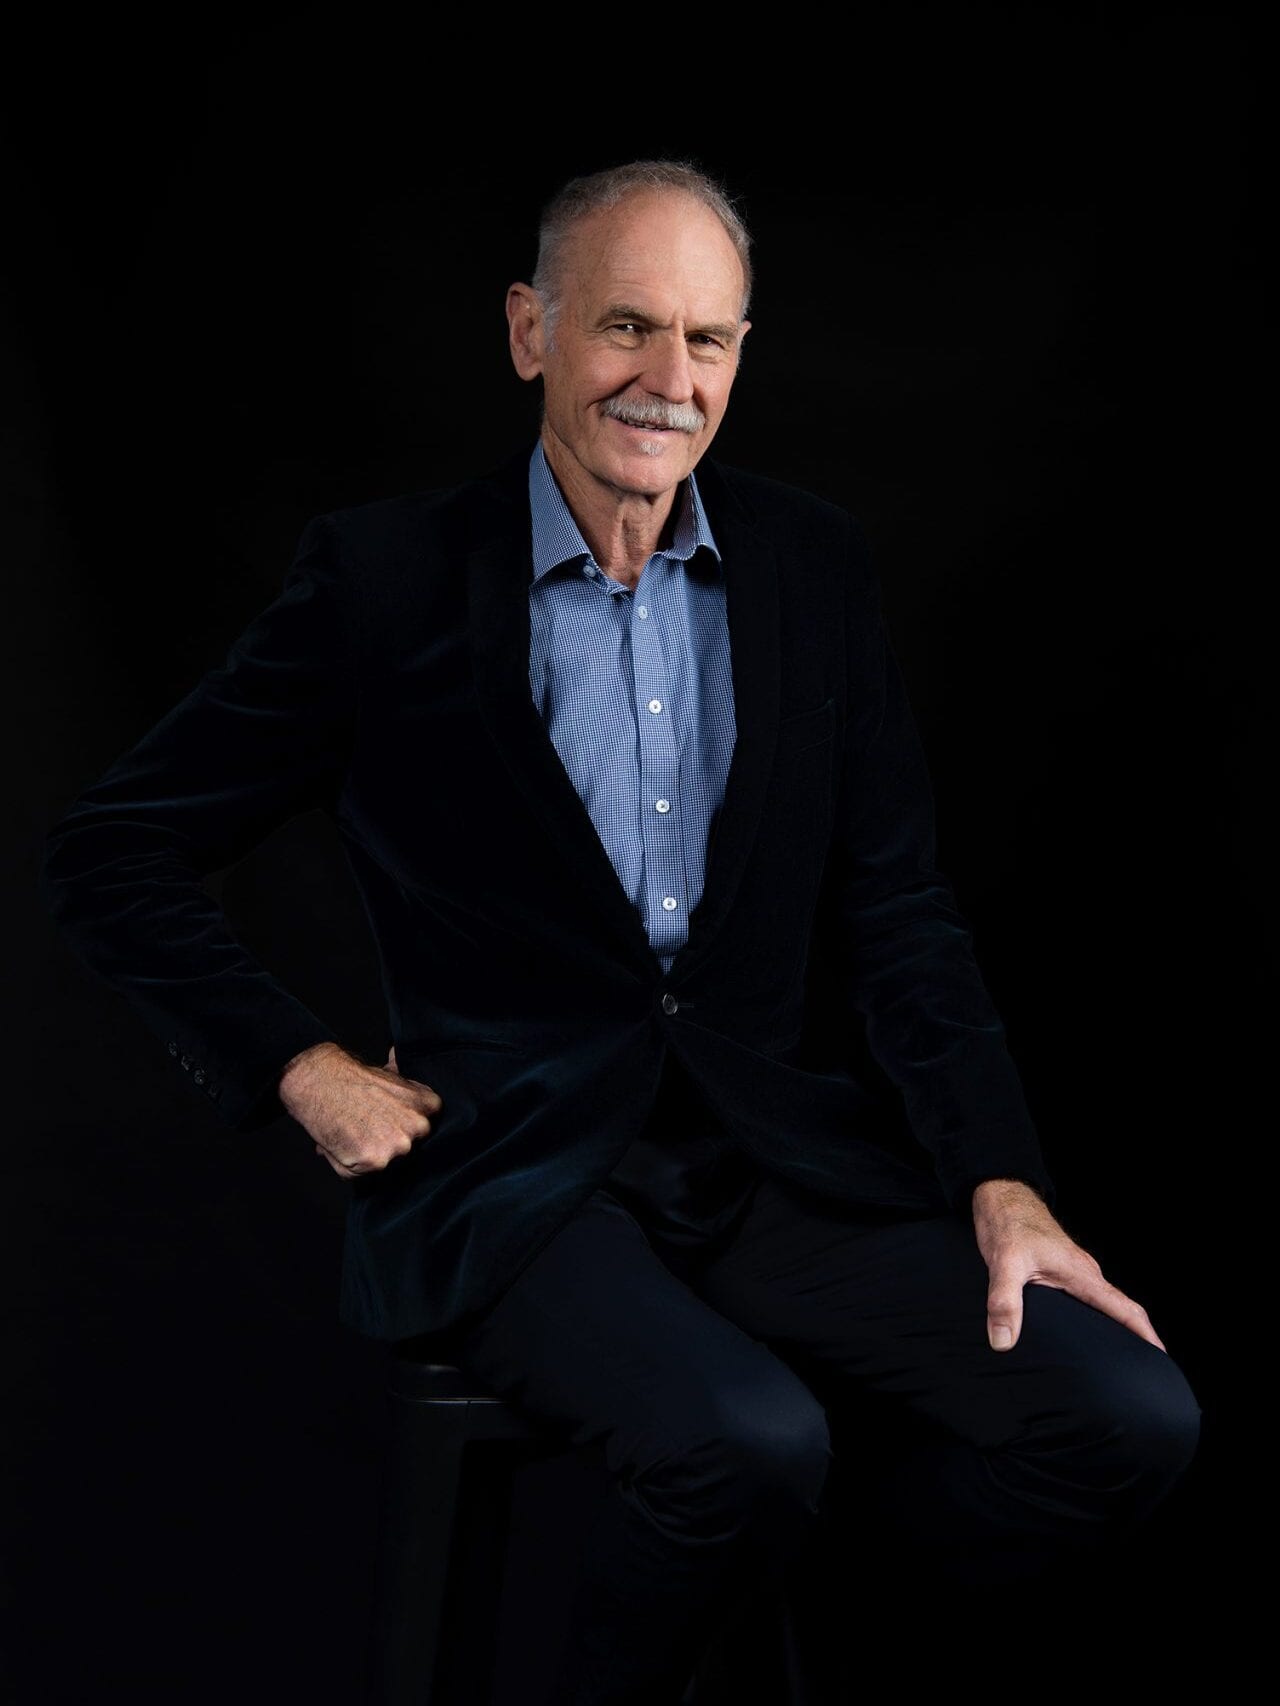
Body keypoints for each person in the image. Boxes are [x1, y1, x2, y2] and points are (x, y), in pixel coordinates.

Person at [40, 159, 1202, 1704]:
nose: (669, 382)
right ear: (531, 330)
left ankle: (828, 1639)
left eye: (709, 341)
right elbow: (112, 849)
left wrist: (1004, 1178)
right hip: (513, 1175)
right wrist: (298, 1065)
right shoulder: (386, 581)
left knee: (1128, 1417)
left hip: (764, 1163)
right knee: (751, 1441)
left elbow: (900, 909)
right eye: (627, 328)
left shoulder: (809, 567)